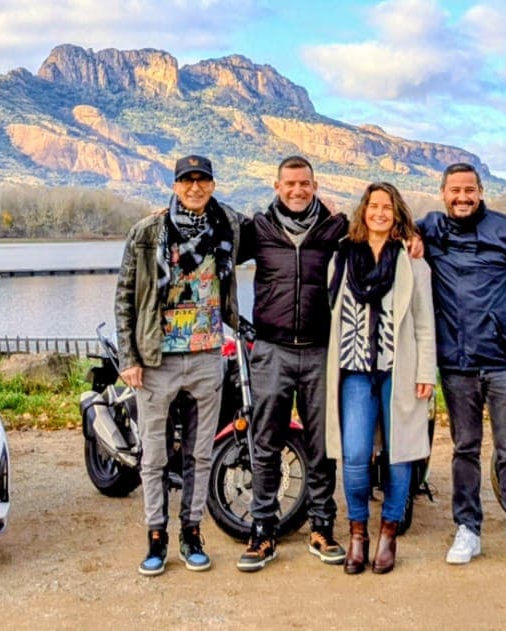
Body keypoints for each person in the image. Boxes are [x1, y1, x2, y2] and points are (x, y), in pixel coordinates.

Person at [114, 154, 246, 576]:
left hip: (208, 356)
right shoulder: (147, 231)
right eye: (186, 181)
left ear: (212, 184)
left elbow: (275, 223)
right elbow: (125, 298)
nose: (194, 188)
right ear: (174, 185)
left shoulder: (227, 226)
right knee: (153, 458)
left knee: (199, 455)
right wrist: (128, 358)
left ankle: (192, 533)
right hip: (157, 360)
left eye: (202, 181)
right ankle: (156, 536)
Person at [417, 162, 506, 571]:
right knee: (464, 449)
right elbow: (390, 229)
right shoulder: (431, 230)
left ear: (480, 191)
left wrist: (505, 319)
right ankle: (468, 528)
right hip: (457, 364)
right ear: (443, 193)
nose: (462, 197)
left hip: (504, 362)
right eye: (455, 190)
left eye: (469, 190)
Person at [232, 156, 349, 571]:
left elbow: (381, 234)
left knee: (321, 445)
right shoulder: (257, 229)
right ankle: (263, 531)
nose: (297, 191)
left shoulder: (337, 229)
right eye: (290, 184)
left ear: (315, 186)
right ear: (276, 186)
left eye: (304, 184)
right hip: (272, 350)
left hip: (320, 350)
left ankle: (321, 527)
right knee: (266, 443)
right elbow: (216, 250)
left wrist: (412, 238)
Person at [322, 182, 436, 574]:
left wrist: (425, 372)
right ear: (364, 211)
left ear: (397, 212)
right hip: (353, 371)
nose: (380, 213)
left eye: (388, 207)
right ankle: (358, 532)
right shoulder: (343, 256)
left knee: (399, 452)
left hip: (397, 370)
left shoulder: (412, 261)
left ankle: (389, 531)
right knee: (354, 456)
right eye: (374, 206)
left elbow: (424, 322)